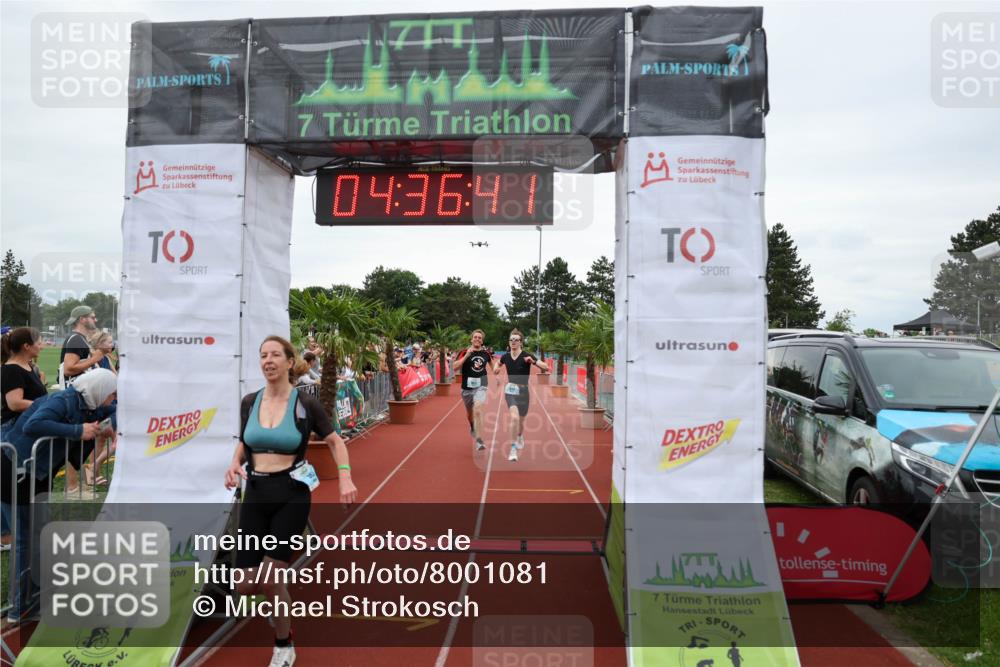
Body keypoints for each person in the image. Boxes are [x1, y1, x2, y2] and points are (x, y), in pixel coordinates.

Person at [224, 336, 357, 667]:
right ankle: (277, 608)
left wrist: (345, 476)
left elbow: (335, 441)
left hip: (291, 494)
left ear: (288, 362)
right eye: (262, 356)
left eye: (274, 355)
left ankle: (284, 644)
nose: (267, 361)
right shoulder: (249, 401)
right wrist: (233, 463)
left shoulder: (305, 404)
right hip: (255, 495)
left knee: (271, 579)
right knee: (243, 586)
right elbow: (245, 441)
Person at [1, 369, 117, 624]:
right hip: (16, 472)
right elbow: (34, 424)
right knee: (23, 540)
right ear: (99, 390)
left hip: (37, 474)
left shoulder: (87, 403)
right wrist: (78, 431)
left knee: (39, 534)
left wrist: (107, 425)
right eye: (112, 394)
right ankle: (18, 608)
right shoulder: (62, 400)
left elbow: (110, 411)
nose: (113, 399)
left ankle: (36, 594)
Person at [1, 327, 47, 553]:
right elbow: (15, 403)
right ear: (27, 346)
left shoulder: (28, 367)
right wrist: (46, 406)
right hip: (14, 434)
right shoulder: (11, 370)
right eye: (38, 342)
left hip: (26, 433)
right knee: (13, 489)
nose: (42, 344)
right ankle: (10, 535)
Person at [60, 305, 103, 492]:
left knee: (92, 440)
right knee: (75, 446)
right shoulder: (76, 339)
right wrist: (97, 358)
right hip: (76, 399)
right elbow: (69, 368)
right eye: (93, 317)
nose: (96, 320)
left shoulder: (80, 339)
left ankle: (86, 481)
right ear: (82, 319)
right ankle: (72, 488)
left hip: (83, 398)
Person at [494, 329, 549, 461]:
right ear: (509, 342)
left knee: (521, 421)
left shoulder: (526, 356)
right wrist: (496, 367)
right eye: (511, 339)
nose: (513, 342)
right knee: (514, 418)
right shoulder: (506, 356)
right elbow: (498, 363)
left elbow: (545, 367)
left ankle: (519, 436)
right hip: (510, 391)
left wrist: (533, 362)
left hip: (524, 392)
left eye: (516, 340)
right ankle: (513, 449)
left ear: (521, 342)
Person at [454, 329, 497, 452]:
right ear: (471, 339)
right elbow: (455, 367)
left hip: (481, 386)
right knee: (470, 414)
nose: (477, 339)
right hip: (466, 388)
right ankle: (472, 426)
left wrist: (497, 375)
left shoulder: (486, 354)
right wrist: (467, 356)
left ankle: (479, 440)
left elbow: (493, 367)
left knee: (478, 409)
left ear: (482, 341)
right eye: (475, 337)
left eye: (480, 338)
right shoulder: (463, 352)